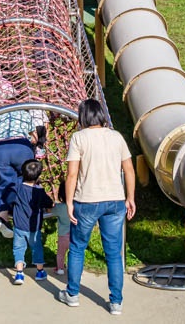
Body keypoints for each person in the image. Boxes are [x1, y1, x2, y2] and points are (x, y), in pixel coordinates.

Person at [57, 99, 135, 316]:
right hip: (115, 201)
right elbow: (128, 169)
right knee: (113, 253)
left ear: (83, 117)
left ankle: (72, 295)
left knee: (78, 247)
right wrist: (130, 197)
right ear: (101, 115)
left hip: (86, 201)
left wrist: (69, 202)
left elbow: (72, 174)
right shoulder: (116, 136)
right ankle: (116, 302)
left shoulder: (79, 138)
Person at [0, 96, 49, 238]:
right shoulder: (25, 114)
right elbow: (34, 138)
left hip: (0, 148)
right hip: (22, 147)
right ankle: (27, 213)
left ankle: (3, 218)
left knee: (4, 183)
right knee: (27, 180)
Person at [10, 159, 54, 285]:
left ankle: (19, 273)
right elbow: (49, 203)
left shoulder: (17, 188)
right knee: (37, 249)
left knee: (18, 248)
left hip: (19, 226)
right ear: (38, 175)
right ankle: (40, 271)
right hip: (34, 228)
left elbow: (9, 200)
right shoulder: (39, 192)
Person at [53, 183, 71, 276]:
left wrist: (55, 197)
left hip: (63, 235)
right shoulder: (77, 206)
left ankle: (60, 269)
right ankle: (74, 269)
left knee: (61, 253)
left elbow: (51, 210)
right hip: (75, 235)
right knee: (75, 253)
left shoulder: (60, 207)